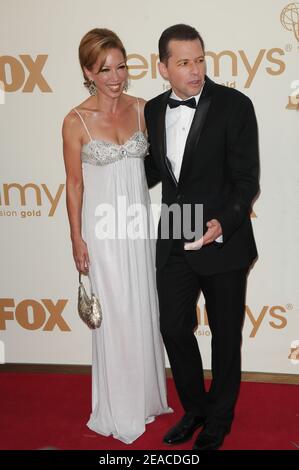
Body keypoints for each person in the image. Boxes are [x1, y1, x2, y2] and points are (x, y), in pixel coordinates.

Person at [144, 24, 259, 450]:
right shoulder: (154, 110)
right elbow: (155, 171)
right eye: (184, 62)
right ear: (163, 67)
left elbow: (247, 181)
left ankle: (219, 419)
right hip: (175, 228)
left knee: (226, 335)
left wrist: (223, 224)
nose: (195, 70)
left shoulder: (235, 105)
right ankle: (195, 409)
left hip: (223, 236)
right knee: (173, 327)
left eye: (200, 60)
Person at [62, 28, 171, 444]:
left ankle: (145, 396)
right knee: (116, 312)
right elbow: (74, 185)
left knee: (142, 304)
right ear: (88, 71)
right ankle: (119, 405)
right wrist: (77, 239)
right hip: (102, 231)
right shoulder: (75, 121)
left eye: (121, 66)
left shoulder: (144, 108)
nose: (115, 76)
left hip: (138, 227)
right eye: (104, 69)